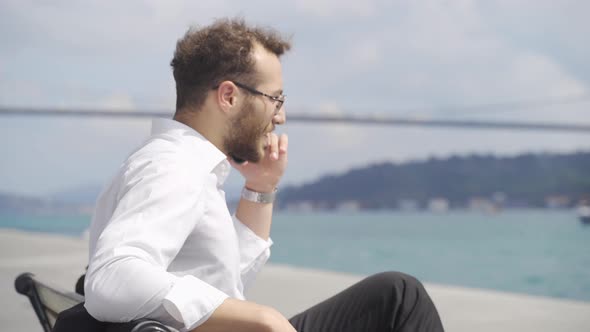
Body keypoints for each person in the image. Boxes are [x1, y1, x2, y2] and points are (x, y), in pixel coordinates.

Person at [83, 18, 445, 332]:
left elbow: (222, 281)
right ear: (229, 96)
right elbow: (111, 278)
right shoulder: (173, 167)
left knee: (393, 295)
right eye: (275, 99)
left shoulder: (181, 163)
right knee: (401, 298)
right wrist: (263, 318)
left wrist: (260, 186)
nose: (280, 116)